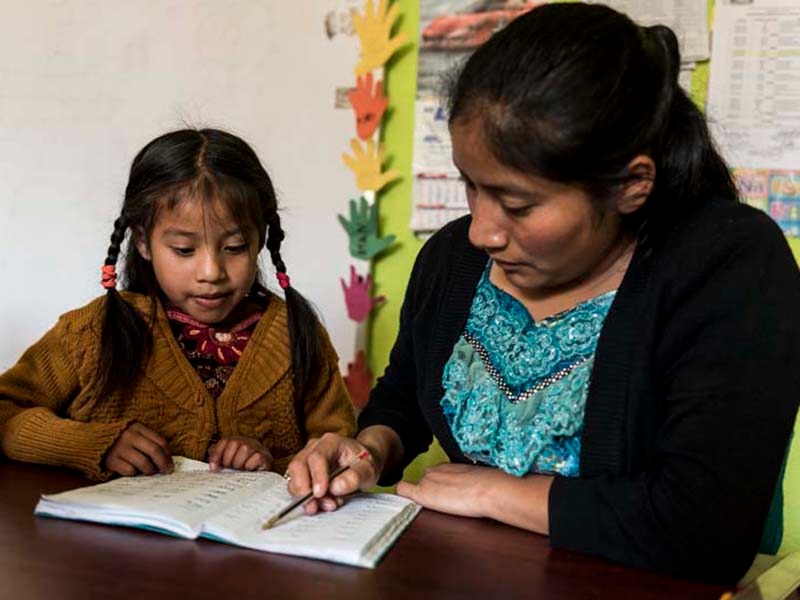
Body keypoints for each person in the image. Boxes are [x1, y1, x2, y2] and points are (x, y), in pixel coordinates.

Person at [285, 3, 800, 583]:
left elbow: (705, 529)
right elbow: (406, 393)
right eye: (470, 186)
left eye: (518, 204)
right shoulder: (455, 258)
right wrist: (369, 449)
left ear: (631, 184)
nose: (481, 230)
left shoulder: (727, 265)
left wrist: (497, 494)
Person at [0, 128, 355, 480]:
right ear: (142, 241)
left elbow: (339, 448)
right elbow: (6, 410)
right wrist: (91, 444)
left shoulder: (297, 336)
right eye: (184, 250)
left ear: (259, 239)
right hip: (108, 537)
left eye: (234, 247)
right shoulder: (92, 333)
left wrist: (273, 465)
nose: (211, 271)